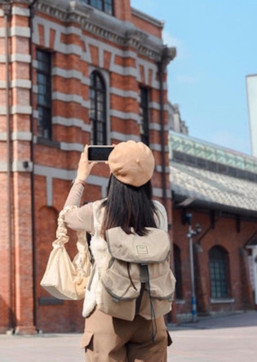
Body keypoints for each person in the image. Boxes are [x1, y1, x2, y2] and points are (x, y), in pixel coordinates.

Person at [63, 141, 171, 362]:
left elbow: (66, 215)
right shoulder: (159, 212)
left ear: (114, 174)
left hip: (107, 310)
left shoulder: (98, 212)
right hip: (150, 310)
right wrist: (128, 157)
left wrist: (81, 176)